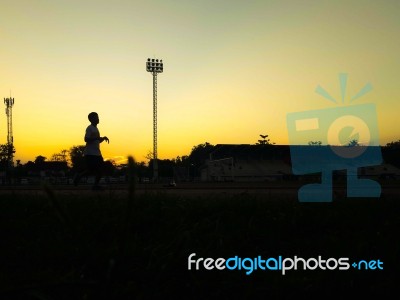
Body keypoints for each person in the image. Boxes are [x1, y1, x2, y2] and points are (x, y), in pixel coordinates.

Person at [73, 112, 109, 190]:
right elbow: (86, 139)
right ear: (91, 119)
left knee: (98, 170)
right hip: (90, 153)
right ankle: (82, 177)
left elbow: (97, 141)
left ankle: (93, 184)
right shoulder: (89, 128)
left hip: (97, 153)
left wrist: (102, 138)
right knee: (93, 170)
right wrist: (97, 138)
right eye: (96, 117)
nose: (98, 119)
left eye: (98, 117)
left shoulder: (96, 128)